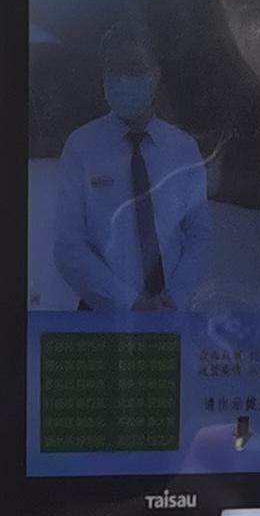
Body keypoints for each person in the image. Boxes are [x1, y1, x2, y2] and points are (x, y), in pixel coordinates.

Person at [53, 26, 211, 311]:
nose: (124, 79)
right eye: (114, 70)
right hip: (103, 314)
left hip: (171, 314)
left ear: (155, 75)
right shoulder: (81, 147)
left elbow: (199, 235)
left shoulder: (183, 149)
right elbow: (69, 246)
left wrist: (175, 298)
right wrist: (128, 303)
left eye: (135, 68)